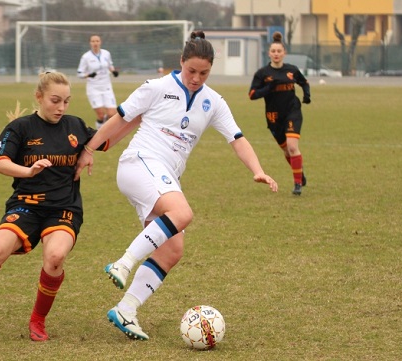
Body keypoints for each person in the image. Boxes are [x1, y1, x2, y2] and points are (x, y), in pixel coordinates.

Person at [75, 31, 278, 341]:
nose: (196, 78)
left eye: (204, 72)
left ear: (211, 69)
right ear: (181, 62)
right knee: (182, 212)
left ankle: (126, 309)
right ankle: (124, 262)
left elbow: (237, 139)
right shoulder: (156, 87)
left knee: (173, 249)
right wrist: (88, 150)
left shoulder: (213, 101)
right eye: (191, 70)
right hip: (139, 163)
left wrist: (258, 170)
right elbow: (119, 119)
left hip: (162, 177)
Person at [0, 72, 111, 341]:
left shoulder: (75, 126)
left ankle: (38, 321)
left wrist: (90, 149)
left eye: (66, 101)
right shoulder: (20, 128)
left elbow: (108, 137)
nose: (61, 108)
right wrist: (27, 171)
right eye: (55, 100)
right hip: (26, 205)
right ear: (39, 97)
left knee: (55, 257)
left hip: (63, 208)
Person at [248, 31, 311, 195]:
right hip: (274, 117)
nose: (276, 54)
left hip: (292, 111)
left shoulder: (291, 70)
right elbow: (252, 95)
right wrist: (268, 88)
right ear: (269, 53)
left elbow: (304, 82)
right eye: (273, 51)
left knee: (292, 146)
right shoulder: (262, 74)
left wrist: (307, 95)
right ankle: (300, 174)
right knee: (286, 151)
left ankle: (297, 184)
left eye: (279, 51)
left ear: (284, 53)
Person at [77, 34, 119, 129]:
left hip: (106, 86)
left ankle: (107, 130)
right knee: (100, 115)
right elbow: (79, 73)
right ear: (90, 43)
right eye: (93, 41)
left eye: (97, 41)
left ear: (100, 42)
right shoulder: (86, 57)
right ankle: (100, 133)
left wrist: (113, 71)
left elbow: (109, 65)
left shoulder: (106, 54)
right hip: (93, 88)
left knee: (112, 114)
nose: (95, 43)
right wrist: (89, 75)